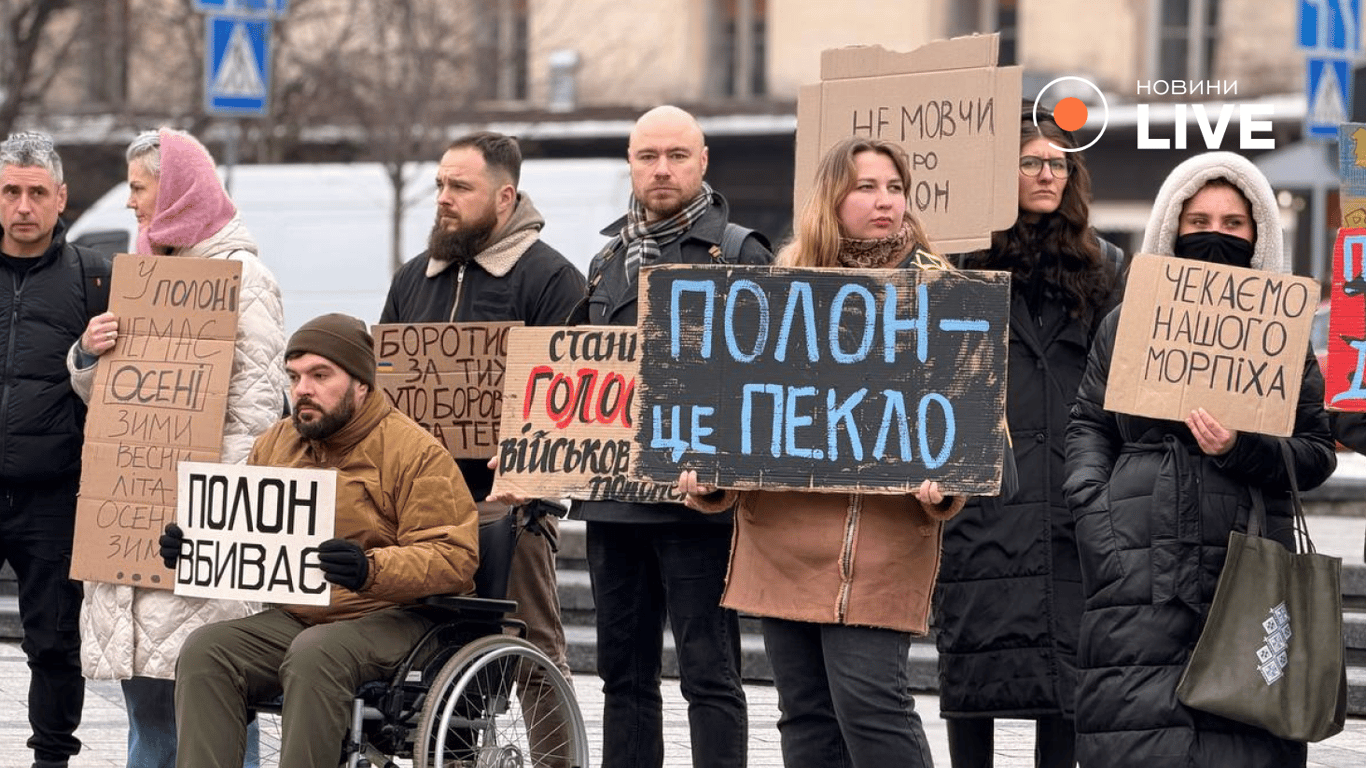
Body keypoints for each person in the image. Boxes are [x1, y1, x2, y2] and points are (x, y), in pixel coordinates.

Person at [678, 136, 963, 768]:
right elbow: (740, 409)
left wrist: (949, 484)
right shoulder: (778, 291)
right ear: (830, 198)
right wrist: (711, 479)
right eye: (865, 187)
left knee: (871, 705)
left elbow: (971, 418)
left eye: (894, 187)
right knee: (804, 714)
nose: (884, 200)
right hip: (781, 540)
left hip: (880, 540)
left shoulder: (942, 295)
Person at [1064, 151, 1337, 767]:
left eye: (1234, 224)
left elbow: (1315, 453)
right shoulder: (1125, 323)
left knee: (1242, 741)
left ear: (1259, 233)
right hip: (1134, 563)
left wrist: (1244, 449)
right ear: (1171, 227)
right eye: (1200, 220)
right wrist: (1094, 509)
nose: (1215, 235)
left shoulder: (1284, 336)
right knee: (1135, 738)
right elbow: (1089, 424)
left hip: (1245, 564)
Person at [167, 312, 480, 767]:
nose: (302, 389)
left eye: (320, 375)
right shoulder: (277, 442)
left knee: (316, 655)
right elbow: (243, 527)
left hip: (397, 617)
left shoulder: (415, 452)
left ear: (361, 384)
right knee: (207, 650)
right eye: (293, 376)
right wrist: (193, 544)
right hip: (305, 613)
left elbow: (454, 556)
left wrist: (371, 568)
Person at [66, 127, 287, 768]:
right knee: (151, 722)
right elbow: (113, 402)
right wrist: (89, 353)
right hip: (134, 518)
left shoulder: (244, 279)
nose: (131, 202)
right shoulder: (145, 275)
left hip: (199, 527)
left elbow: (253, 416)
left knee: (216, 708)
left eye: (139, 187)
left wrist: (212, 511)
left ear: (177, 188)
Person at [572, 104, 769, 768]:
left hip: (697, 507)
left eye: (676, 156)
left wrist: (726, 469)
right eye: (647, 156)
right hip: (614, 503)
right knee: (621, 678)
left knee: (709, 676)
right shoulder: (606, 263)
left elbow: (768, 380)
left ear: (704, 161)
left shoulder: (739, 252)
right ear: (630, 164)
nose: (661, 170)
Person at [380, 130, 585, 758]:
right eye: (440, 183)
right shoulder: (413, 279)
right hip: (416, 508)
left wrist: (529, 462)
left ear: (504, 196)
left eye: (459, 187)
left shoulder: (553, 279)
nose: (443, 197)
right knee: (428, 650)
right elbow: (384, 387)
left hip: (510, 506)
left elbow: (573, 404)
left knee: (529, 651)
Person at [935, 112, 1121, 768]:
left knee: (1069, 688)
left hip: (1072, 499)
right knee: (974, 679)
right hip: (986, 499)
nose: (1046, 174)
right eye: (1030, 161)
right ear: (997, 173)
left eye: (1058, 164)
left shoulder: (1108, 266)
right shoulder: (956, 263)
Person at [0, 131, 109, 768]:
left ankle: (51, 759)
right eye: (11, 191)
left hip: (55, 493)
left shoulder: (97, 277)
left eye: (37, 193)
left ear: (60, 197)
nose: (23, 206)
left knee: (55, 640)